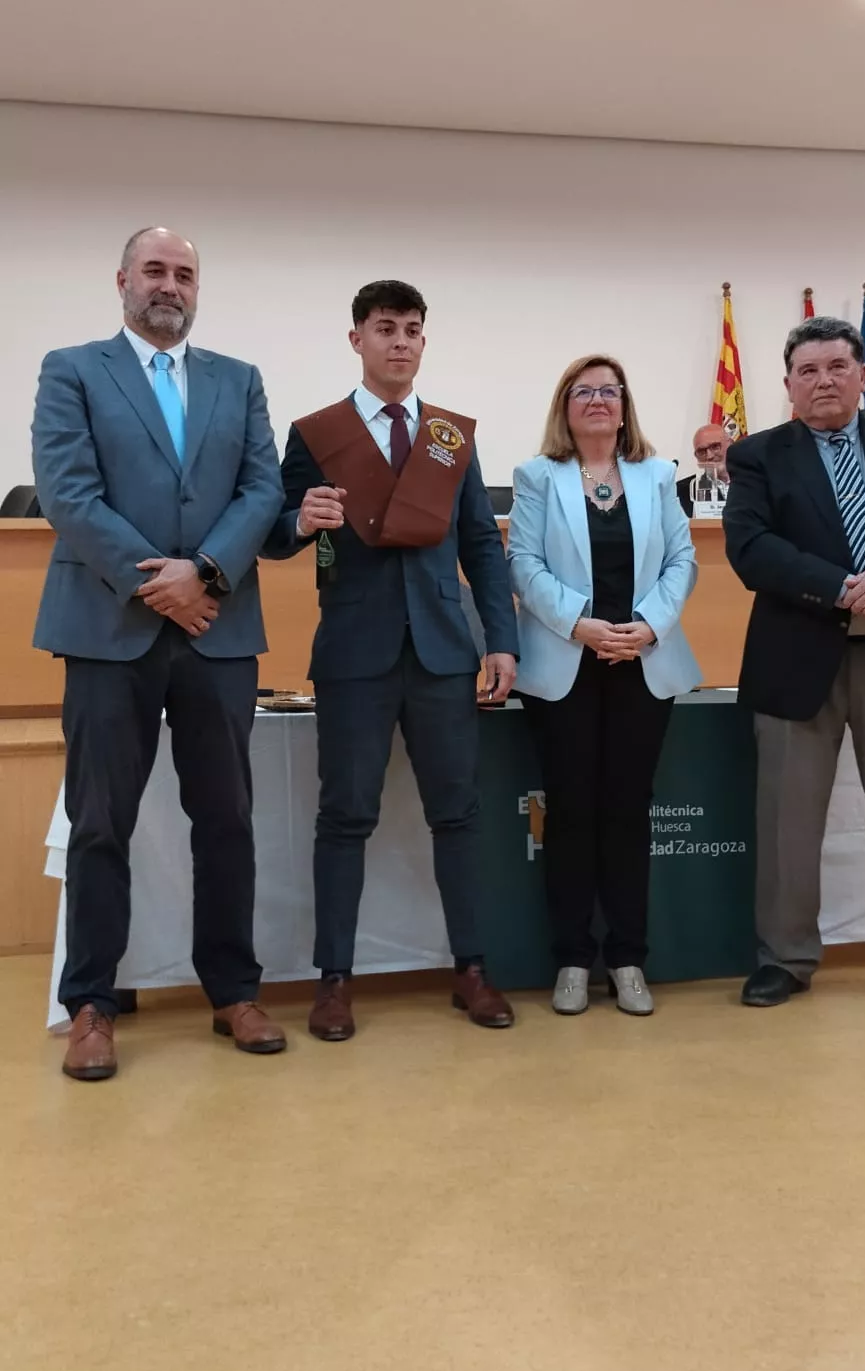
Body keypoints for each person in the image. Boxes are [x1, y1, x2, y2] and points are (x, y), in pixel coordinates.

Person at [32, 227, 287, 1080]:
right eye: (155, 270)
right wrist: (159, 583)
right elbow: (68, 493)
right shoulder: (72, 369)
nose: (169, 285)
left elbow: (263, 489)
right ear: (122, 281)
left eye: (184, 273)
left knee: (227, 820)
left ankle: (233, 993)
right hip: (109, 630)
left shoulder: (238, 380)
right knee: (102, 823)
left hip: (219, 629)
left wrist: (206, 572)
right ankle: (93, 1006)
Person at [264, 279, 518, 1040]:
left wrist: (499, 637)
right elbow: (276, 531)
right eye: (385, 328)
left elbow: (481, 542)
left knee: (459, 815)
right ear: (357, 340)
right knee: (344, 816)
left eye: (412, 329)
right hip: (353, 650)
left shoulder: (449, 436)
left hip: (444, 649)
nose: (400, 341)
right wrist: (300, 521)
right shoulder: (317, 434)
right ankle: (333, 980)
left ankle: (470, 967)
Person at [725, 314, 865, 1008]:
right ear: (788, 385)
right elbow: (751, 547)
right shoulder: (759, 455)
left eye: (836, 367)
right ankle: (786, 959)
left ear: (861, 376)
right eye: (808, 371)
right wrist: (848, 588)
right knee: (789, 819)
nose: (823, 380)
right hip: (800, 657)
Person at [507, 355, 701, 1016]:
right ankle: (570, 958)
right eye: (583, 391)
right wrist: (579, 625)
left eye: (608, 391)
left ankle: (627, 959)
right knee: (569, 813)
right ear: (565, 407)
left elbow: (683, 559)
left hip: (643, 665)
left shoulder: (658, 475)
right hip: (566, 665)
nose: (597, 401)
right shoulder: (537, 477)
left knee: (625, 812)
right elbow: (522, 564)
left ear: (624, 407)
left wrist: (647, 626)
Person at [677, 423, 730, 518]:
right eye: (701, 451)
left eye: (715, 447)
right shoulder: (681, 491)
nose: (709, 456)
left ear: (730, 444)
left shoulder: (755, 483)